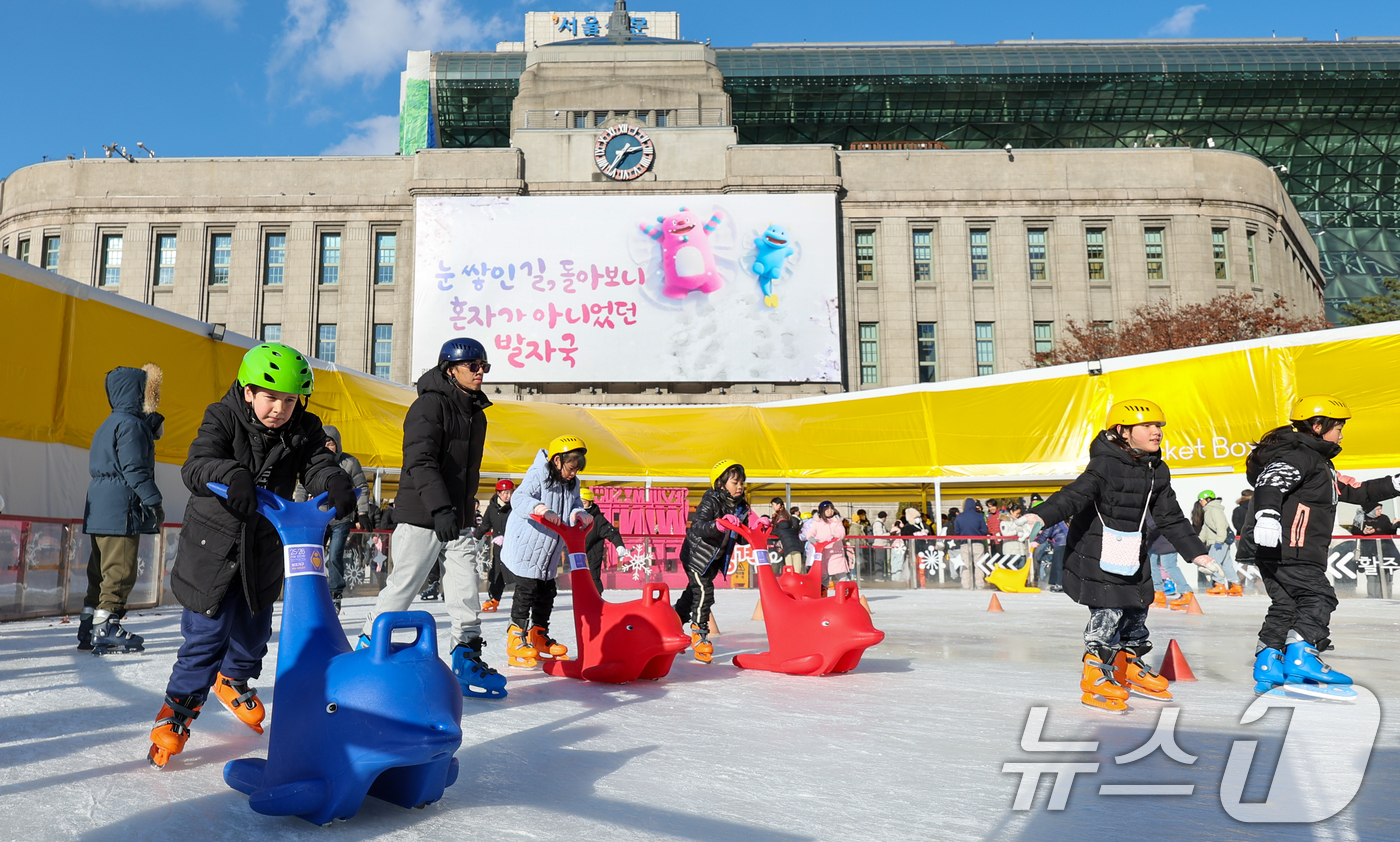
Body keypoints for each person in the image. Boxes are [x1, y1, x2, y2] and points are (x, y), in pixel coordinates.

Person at [148, 343, 354, 767]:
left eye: (290, 399)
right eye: (270, 397)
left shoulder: (305, 427)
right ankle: (176, 713)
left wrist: (332, 479)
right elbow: (197, 465)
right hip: (213, 548)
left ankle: (233, 679)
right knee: (206, 638)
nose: (279, 408)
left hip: (262, 545)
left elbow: (316, 463)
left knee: (255, 632)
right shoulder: (221, 416)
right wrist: (233, 472)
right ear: (247, 391)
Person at [1027, 399, 1214, 714]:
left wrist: (1198, 555)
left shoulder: (1156, 469)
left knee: (1138, 607)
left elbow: (1170, 517)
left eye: (1159, 426)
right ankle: (1095, 674)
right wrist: (1040, 516)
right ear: (1123, 431)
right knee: (1109, 610)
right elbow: (1074, 494)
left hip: (1131, 551)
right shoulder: (1105, 464)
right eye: (1148, 426)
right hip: (1095, 552)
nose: (1157, 432)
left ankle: (1129, 665)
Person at [358, 337, 504, 700]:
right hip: (423, 516)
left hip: (458, 518)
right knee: (404, 586)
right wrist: (439, 510)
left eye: (484, 366)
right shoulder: (428, 407)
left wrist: (462, 514)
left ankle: (466, 654)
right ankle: (366, 648)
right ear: (450, 369)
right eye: (473, 366)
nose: (480, 372)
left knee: (465, 586)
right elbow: (420, 461)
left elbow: (465, 473)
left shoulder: (476, 414)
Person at [1238, 395, 1400, 697]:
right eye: (1338, 427)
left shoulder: (1318, 462)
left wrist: (1394, 483)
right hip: (1291, 545)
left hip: (1279, 547)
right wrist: (1269, 516)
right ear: (1317, 425)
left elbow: (1356, 492)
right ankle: (1301, 657)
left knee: (1286, 604)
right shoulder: (1298, 455)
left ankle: (1268, 662)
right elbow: (1271, 483)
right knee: (1318, 596)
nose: (1341, 434)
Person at [80, 364, 165, 654]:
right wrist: (154, 501)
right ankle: (107, 627)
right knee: (120, 569)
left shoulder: (109, 424)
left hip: (98, 508)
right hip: (121, 509)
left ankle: (88, 626)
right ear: (139, 392)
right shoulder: (131, 426)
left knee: (99, 571)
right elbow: (135, 469)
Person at [501, 435, 590, 668]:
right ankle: (515, 638)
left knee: (548, 590)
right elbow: (519, 498)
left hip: (549, 550)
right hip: (527, 545)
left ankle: (538, 636)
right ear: (558, 460)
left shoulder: (573, 483)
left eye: (577, 469)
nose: (573, 474)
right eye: (571, 468)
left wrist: (579, 513)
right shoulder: (538, 474)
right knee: (526, 590)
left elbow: (574, 506)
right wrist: (539, 507)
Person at [676, 459, 751, 663]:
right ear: (720, 484)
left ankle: (670, 624)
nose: (740, 486)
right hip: (696, 555)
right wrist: (718, 525)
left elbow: (743, 538)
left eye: (742, 482)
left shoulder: (742, 505)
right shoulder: (711, 500)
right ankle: (699, 635)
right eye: (735, 482)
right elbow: (698, 525)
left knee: (692, 596)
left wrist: (757, 526)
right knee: (703, 592)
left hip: (713, 560)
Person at [293, 425, 371, 613]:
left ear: (338, 445)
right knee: (314, 556)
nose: (328, 447)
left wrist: (363, 513)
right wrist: (299, 511)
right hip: (318, 517)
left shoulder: (350, 463)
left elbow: (362, 486)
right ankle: (314, 593)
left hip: (340, 517)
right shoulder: (312, 462)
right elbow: (302, 488)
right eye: (324, 443)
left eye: (331, 443)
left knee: (335, 554)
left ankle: (335, 593)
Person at [473, 479, 515, 611]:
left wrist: (507, 538)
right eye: (504, 493)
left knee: (517, 574)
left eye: (510, 493)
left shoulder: (516, 507)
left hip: (515, 547)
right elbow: (485, 524)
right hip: (498, 548)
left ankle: (525, 600)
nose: (507, 496)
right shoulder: (492, 508)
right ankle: (494, 599)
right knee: (497, 574)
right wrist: (476, 538)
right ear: (498, 493)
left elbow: (521, 527)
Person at [581, 486, 627, 593]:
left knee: (592, 579)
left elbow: (612, 533)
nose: (580, 506)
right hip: (575, 555)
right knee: (578, 580)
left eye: (583, 503)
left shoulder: (597, 520)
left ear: (590, 503)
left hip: (591, 555)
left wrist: (619, 545)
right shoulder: (572, 516)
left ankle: (596, 601)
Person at [1197, 490, 1240, 596]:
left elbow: (1221, 526)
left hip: (1220, 541)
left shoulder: (1215, 510)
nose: (1200, 502)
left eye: (1201, 500)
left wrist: (1219, 541)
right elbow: (1205, 529)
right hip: (1218, 541)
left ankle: (1219, 585)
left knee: (1213, 563)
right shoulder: (1208, 511)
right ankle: (1235, 585)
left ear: (1208, 499)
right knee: (1226, 564)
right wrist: (1198, 541)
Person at [802, 501, 850, 592]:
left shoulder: (837, 521)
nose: (830, 511)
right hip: (822, 551)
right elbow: (811, 531)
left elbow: (841, 532)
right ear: (822, 511)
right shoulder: (817, 522)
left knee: (840, 573)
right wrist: (811, 537)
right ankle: (822, 594)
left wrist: (834, 536)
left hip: (835, 552)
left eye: (831, 509)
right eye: (827, 509)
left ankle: (846, 592)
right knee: (822, 574)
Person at [953, 498, 989, 589]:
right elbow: (984, 530)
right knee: (979, 564)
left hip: (964, 543)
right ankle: (979, 583)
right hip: (978, 542)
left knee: (966, 564)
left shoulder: (959, 517)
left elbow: (957, 531)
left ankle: (966, 584)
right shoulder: (979, 516)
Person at [770, 497, 805, 573]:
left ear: (779, 505)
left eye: (773, 505)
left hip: (787, 547)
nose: (773, 507)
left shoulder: (780, 516)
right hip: (797, 546)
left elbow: (773, 531)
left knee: (790, 569)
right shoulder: (786, 514)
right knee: (797, 570)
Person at [871, 510, 891, 579]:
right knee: (879, 560)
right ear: (884, 517)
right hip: (879, 544)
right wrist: (889, 534)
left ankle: (880, 575)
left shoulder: (879, 523)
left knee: (881, 560)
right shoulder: (878, 524)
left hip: (881, 544)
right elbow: (880, 534)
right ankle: (878, 576)